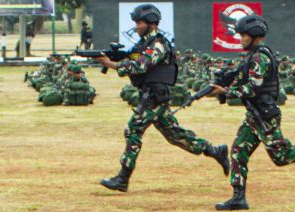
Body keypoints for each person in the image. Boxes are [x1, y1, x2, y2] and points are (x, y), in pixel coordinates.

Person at [210, 15, 295, 211]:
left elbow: (251, 89)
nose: (240, 38)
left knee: (282, 157)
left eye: (244, 35)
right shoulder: (253, 56)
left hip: (264, 116)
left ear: (254, 35)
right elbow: (241, 80)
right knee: (238, 152)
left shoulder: (260, 57)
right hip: (254, 115)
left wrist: (226, 92)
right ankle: (238, 197)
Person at [96, 4, 229, 192]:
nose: (136, 26)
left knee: (134, 129)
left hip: (155, 95)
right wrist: (116, 59)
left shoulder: (158, 44)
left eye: (140, 22)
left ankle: (123, 178)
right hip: (152, 94)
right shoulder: (143, 44)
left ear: (151, 23)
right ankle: (215, 151)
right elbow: (133, 60)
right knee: (175, 136)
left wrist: (110, 64)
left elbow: (141, 66)